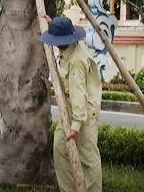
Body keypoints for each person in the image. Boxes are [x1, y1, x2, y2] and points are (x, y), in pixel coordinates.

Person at [38, 15, 102, 192]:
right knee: (60, 148)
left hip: (84, 114)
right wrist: (53, 25)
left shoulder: (76, 61)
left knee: (88, 159)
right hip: (70, 110)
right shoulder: (69, 49)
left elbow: (79, 96)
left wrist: (75, 127)